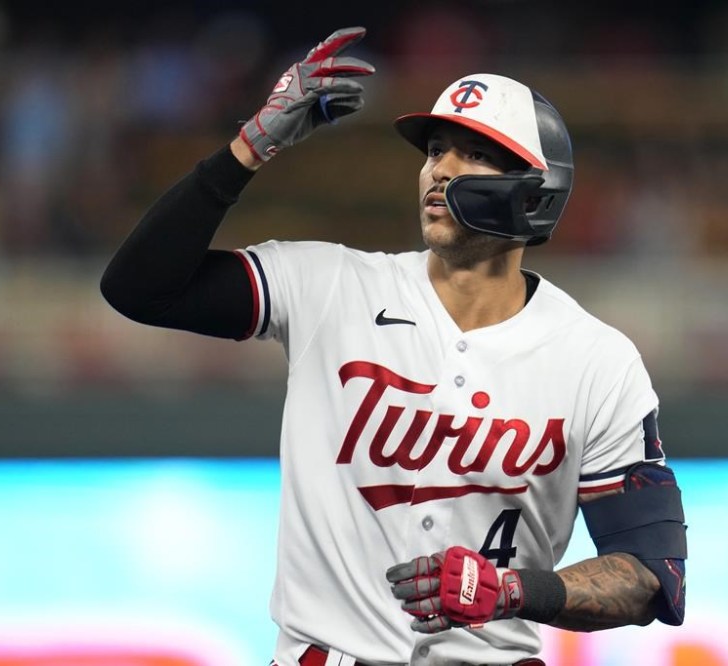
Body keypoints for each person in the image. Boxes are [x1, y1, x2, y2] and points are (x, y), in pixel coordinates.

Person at [101, 26, 687, 666]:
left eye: (475, 153)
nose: (440, 168)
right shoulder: (331, 286)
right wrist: (250, 146)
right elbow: (139, 288)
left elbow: (651, 572)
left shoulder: (596, 361)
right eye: (435, 149)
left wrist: (517, 590)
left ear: (535, 191)